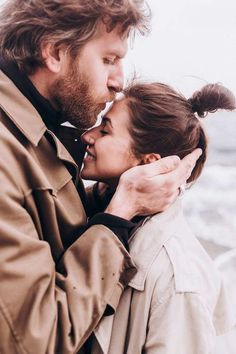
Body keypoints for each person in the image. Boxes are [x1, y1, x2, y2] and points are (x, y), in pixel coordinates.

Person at [0, 1, 201, 353]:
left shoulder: (33, 133)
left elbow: (44, 220)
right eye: (109, 59)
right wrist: (117, 216)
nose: (118, 82)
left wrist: (106, 197)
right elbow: (35, 340)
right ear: (56, 52)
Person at [80, 82, 236, 353]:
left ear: (148, 162)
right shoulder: (103, 215)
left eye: (105, 130)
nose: (88, 136)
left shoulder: (177, 281)